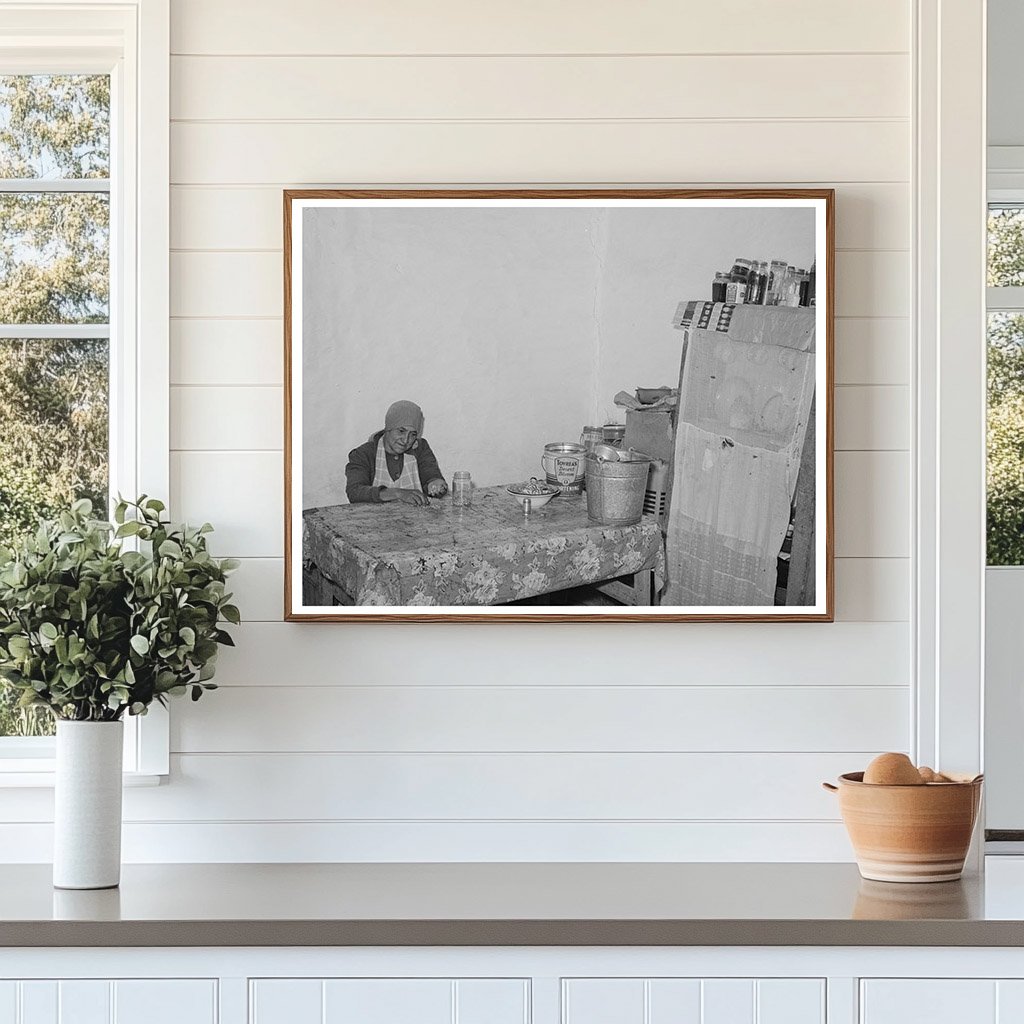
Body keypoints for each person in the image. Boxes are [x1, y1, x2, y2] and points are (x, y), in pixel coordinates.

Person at [345, 400, 448, 506]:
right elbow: (355, 492)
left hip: (414, 520)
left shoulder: (420, 449)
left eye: (412, 434)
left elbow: (430, 475)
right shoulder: (363, 454)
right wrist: (398, 493)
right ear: (388, 429)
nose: (405, 440)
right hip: (374, 520)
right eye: (401, 431)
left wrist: (435, 484)